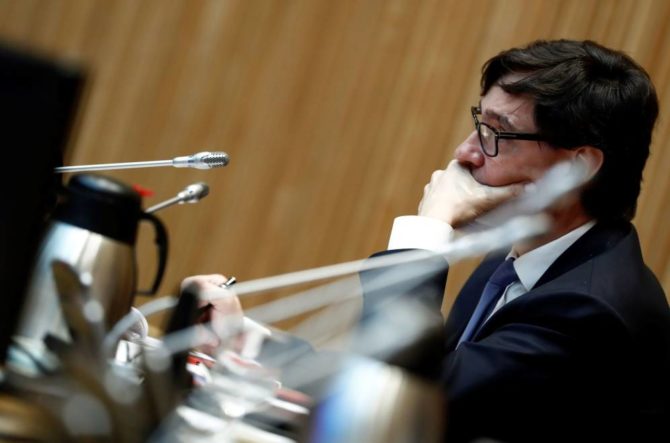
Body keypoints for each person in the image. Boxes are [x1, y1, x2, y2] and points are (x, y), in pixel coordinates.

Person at [359, 39, 670, 442]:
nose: (465, 152)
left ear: (578, 167)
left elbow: (403, 402)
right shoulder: (514, 259)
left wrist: (429, 227)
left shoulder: (590, 311)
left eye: (497, 133)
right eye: (479, 124)